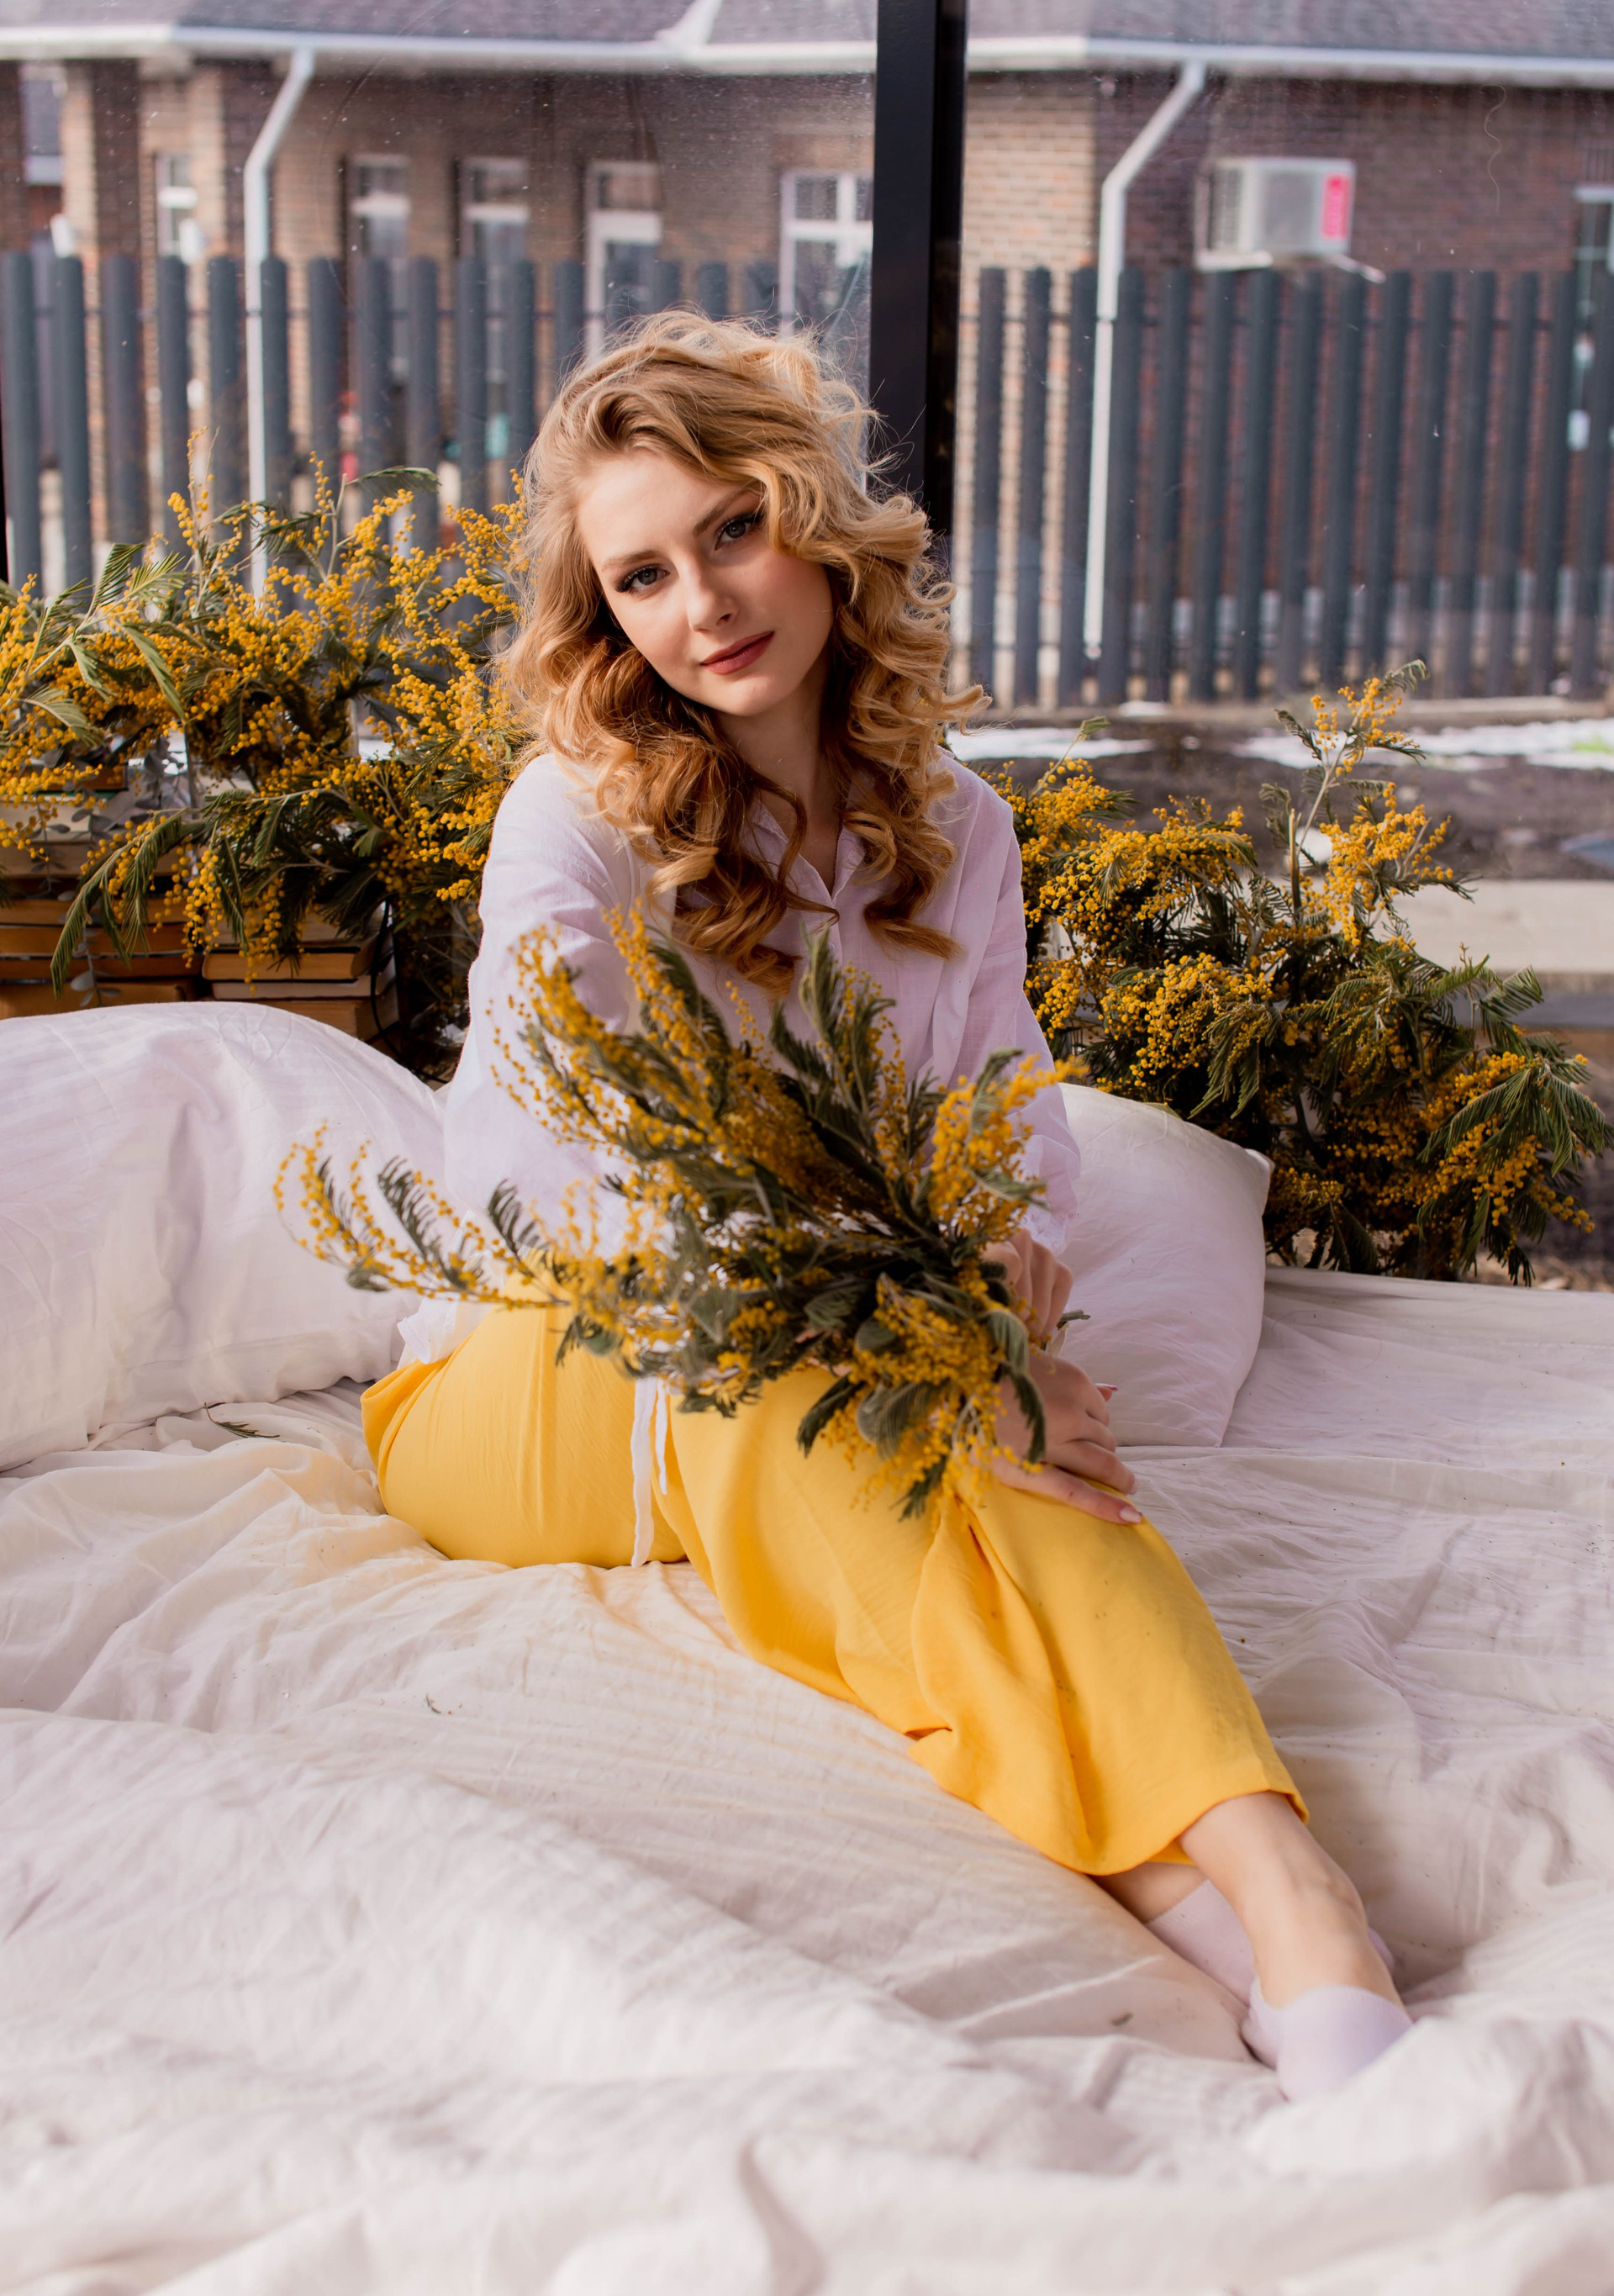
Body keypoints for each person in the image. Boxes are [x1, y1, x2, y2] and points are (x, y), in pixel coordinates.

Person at [362, 315, 1409, 2101]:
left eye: (733, 530)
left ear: (819, 525)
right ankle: (1297, 1885)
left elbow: (1006, 1131)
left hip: (800, 1366)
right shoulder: (574, 820)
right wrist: (928, 1332)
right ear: (602, 616)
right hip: (523, 1391)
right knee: (856, 1385)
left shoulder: (956, 825)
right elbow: (549, 1175)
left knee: (931, 1432)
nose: (702, 602)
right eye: (641, 575)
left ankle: (1221, 1904)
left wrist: (992, 1312)